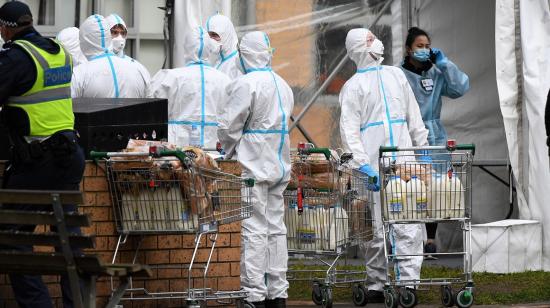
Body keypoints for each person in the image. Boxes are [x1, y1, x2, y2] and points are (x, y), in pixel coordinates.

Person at [0, 2, 85, 307]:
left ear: (5, 27)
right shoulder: (59, 51)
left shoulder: (15, 57)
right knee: (69, 239)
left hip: (39, 160)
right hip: (70, 155)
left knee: (11, 234)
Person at [339, 28, 429, 302]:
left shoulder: (395, 74)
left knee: (408, 220)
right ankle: (377, 283)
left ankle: (409, 283)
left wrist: (423, 150)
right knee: (373, 226)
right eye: (369, 40)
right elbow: (349, 130)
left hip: (404, 161)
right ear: (358, 48)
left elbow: (414, 116)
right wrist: (362, 165)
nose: (375, 42)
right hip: (372, 164)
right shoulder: (352, 86)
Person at [218, 31, 293, 308]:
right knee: (276, 229)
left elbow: (229, 126)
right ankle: (278, 293)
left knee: (253, 229)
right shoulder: (283, 85)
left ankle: (253, 295)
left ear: (245, 53)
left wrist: (227, 151)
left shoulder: (245, 83)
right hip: (279, 163)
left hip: (252, 166)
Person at [400, 27, 469, 254]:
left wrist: (444, 62)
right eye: (419, 46)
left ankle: (430, 239)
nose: (424, 50)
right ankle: (410, 238)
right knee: (411, 183)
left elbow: (460, 88)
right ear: (408, 49)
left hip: (435, 135)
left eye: (427, 46)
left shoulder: (436, 72)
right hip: (410, 135)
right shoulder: (399, 74)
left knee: (436, 183)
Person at [150, 26, 230, 149]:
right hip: (215, 150)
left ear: (186, 47)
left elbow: (152, 112)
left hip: (177, 152)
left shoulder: (171, 77)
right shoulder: (224, 80)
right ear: (209, 48)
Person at [71, 14, 151, 98]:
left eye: (123, 33)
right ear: (106, 34)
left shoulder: (81, 72)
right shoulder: (137, 69)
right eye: (114, 32)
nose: (119, 37)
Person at [206, 13, 242, 79]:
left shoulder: (238, 65)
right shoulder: (217, 61)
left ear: (226, 34)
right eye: (209, 36)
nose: (211, 40)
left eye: (214, 35)